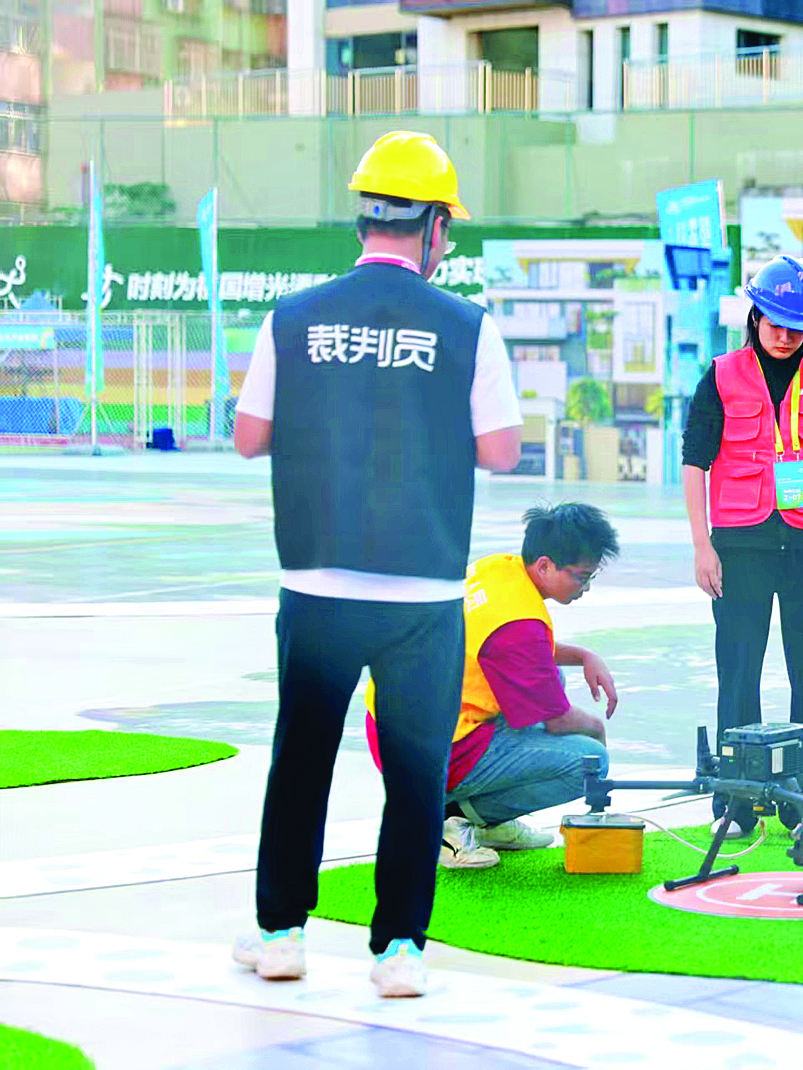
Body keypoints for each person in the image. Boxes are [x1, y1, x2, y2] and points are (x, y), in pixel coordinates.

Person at [230, 130, 523, 998]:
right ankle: (399, 951)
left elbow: (248, 437)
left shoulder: (292, 318)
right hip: (423, 594)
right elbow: (501, 452)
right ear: (433, 226)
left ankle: (281, 935)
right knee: (416, 771)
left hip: (316, 584)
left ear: (364, 219)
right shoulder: (468, 327)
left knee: (301, 760)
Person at [681, 255, 803, 836]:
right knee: (739, 671)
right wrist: (702, 545)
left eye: (798, 327)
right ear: (756, 316)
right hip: (740, 546)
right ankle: (738, 799)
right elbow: (694, 461)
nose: (786, 337)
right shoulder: (719, 375)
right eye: (777, 324)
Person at [361, 503, 620, 870]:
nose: (586, 588)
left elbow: (511, 647)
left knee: (552, 678)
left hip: (393, 722)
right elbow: (557, 719)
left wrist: (583, 655)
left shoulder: (498, 568)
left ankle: (484, 821)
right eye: (581, 577)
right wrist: (598, 729)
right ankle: (450, 822)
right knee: (589, 761)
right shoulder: (518, 627)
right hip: (427, 752)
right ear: (545, 565)